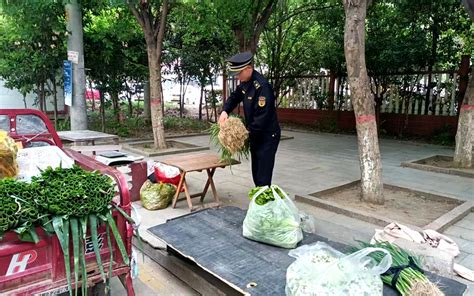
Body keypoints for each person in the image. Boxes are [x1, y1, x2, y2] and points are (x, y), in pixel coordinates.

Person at [218, 51, 280, 186]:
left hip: (267, 136)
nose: (237, 77)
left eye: (239, 73)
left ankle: (264, 202)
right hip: (255, 135)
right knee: (256, 172)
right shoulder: (246, 82)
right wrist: (225, 111)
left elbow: (262, 116)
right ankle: (260, 198)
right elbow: (235, 96)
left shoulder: (262, 87)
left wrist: (244, 133)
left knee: (263, 174)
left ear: (248, 68)